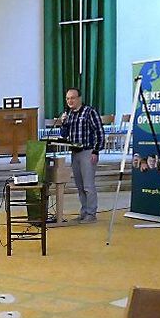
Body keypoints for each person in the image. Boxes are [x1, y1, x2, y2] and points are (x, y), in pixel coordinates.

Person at [60, 88, 104, 223]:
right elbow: (64, 135)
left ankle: (91, 214)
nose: (70, 101)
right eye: (67, 99)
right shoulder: (69, 114)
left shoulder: (90, 112)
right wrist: (63, 123)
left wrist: (96, 151)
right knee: (79, 186)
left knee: (88, 185)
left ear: (79, 98)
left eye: (72, 98)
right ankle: (84, 211)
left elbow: (99, 132)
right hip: (75, 152)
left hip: (88, 152)